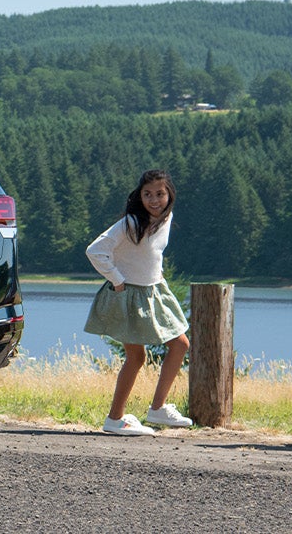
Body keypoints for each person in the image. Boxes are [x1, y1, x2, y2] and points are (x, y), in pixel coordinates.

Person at [83, 170, 192, 436]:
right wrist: (117, 279)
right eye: (147, 194)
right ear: (139, 196)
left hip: (153, 290)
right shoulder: (131, 222)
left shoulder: (166, 219)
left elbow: (153, 252)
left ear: (169, 194)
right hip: (128, 294)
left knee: (180, 344)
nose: (154, 200)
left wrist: (158, 275)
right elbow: (95, 250)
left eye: (160, 194)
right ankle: (115, 419)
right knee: (136, 356)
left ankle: (157, 409)